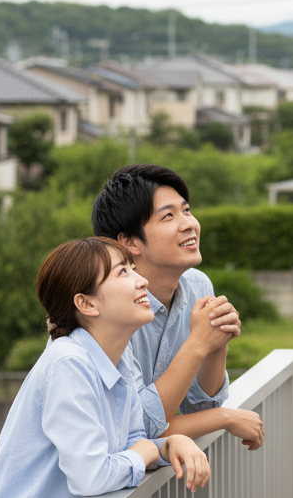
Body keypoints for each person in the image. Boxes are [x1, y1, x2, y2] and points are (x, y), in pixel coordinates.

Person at [0, 238, 209, 498]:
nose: (141, 281)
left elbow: (134, 442)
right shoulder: (69, 363)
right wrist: (142, 455)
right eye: (122, 272)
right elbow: (91, 477)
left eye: (133, 269)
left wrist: (169, 445)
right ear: (86, 304)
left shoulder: (120, 356)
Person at [91, 163, 265, 447]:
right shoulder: (109, 308)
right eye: (168, 216)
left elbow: (201, 409)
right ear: (130, 242)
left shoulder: (197, 285)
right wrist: (225, 417)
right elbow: (137, 427)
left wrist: (217, 343)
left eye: (186, 210)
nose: (189, 224)